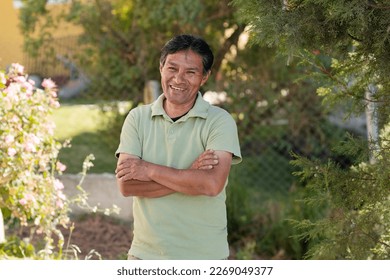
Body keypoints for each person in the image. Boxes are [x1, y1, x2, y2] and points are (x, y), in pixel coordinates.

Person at [115, 34, 242, 260]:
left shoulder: (220, 122)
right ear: (161, 67)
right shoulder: (137, 118)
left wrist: (148, 170)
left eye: (191, 72)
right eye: (172, 68)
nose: (179, 79)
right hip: (145, 255)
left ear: (204, 77)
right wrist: (190, 176)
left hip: (204, 256)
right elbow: (127, 186)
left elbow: (211, 185)